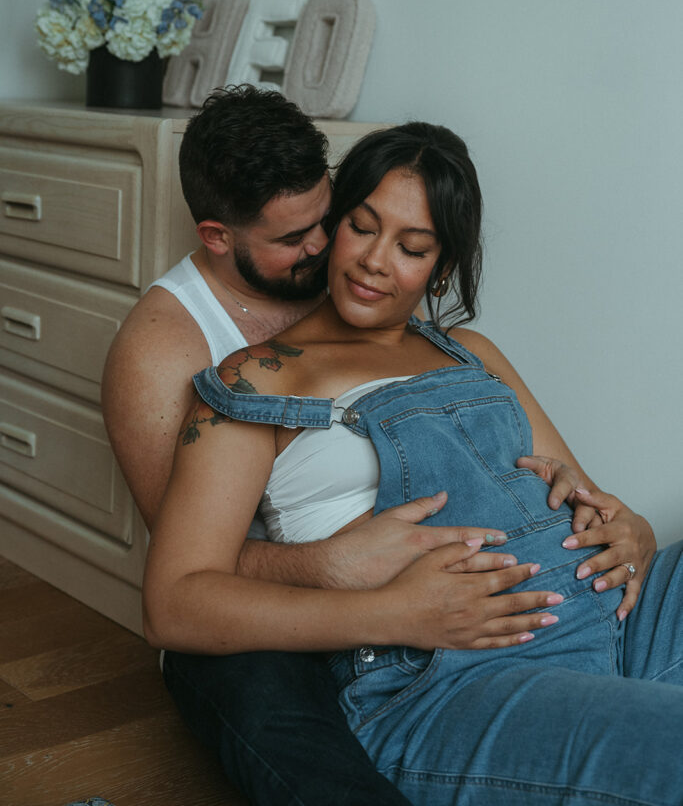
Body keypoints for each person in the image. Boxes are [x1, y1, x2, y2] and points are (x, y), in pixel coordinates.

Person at [143, 120, 682, 806]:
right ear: (334, 227)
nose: (374, 260)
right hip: (453, 679)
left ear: (442, 266)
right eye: (362, 227)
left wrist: (629, 527)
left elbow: (586, 496)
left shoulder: (472, 354)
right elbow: (175, 602)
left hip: (615, 616)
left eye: (412, 246)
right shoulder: (258, 381)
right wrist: (394, 614)